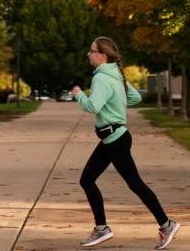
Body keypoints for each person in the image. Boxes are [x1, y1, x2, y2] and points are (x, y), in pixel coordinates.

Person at [72, 37, 180, 249]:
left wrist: (79, 96)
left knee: (124, 182)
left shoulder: (102, 77)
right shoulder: (115, 73)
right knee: (105, 181)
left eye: (91, 51)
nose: (88, 54)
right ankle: (105, 228)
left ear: (102, 56)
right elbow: (134, 98)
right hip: (115, 137)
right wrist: (116, 105)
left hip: (114, 139)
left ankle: (164, 224)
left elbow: (93, 106)